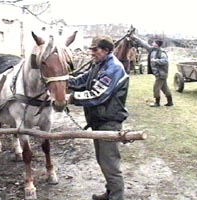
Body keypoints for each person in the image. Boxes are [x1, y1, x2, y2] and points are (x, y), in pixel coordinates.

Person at [66, 35, 129, 200]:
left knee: (110, 164)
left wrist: (71, 98)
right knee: (103, 161)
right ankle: (110, 193)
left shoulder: (113, 68)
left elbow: (97, 95)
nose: (91, 53)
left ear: (106, 50)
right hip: (99, 121)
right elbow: (82, 80)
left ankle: (116, 197)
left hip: (109, 122)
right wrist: (62, 81)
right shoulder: (99, 65)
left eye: (95, 50)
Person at [130, 34, 173, 107]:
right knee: (164, 88)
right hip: (159, 74)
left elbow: (165, 61)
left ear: (157, 45)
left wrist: (156, 61)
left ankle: (157, 103)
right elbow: (144, 44)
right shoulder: (152, 49)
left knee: (156, 88)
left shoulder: (162, 52)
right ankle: (170, 102)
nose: (152, 44)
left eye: (154, 43)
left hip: (161, 74)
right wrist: (135, 38)